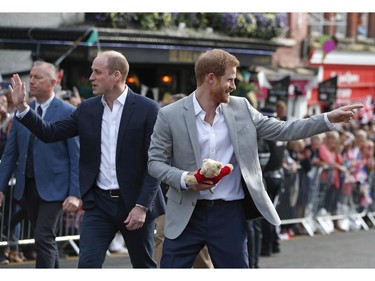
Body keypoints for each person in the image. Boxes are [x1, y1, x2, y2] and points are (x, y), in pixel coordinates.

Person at [147, 48, 363, 268]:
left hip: (228, 214)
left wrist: (327, 119)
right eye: (229, 79)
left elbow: (283, 130)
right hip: (185, 214)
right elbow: (155, 162)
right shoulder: (169, 115)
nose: (233, 85)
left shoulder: (241, 108)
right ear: (210, 78)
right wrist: (186, 178)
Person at [8, 50, 165, 268]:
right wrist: (23, 108)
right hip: (99, 205)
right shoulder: (87, 109)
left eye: (97, 72)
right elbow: (49, 132)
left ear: (116, 76)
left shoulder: (147, 109)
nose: (90, 77)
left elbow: (154, 163)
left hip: (135, 205)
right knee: (87, 266)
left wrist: (142, 206)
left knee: (143, 266)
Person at [0, 61, 81, 268]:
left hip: (55, 188)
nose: (32, 81)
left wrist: (75, 193)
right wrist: (0, 188)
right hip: (27, 187)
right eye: (32, 77)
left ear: (53, 82)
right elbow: (10, 154)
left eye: (38, 77)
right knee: (44, 238)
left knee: (44, 235)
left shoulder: (68, 111)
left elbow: (76, 155)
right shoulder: (22, 111)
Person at [153, 92, 213, 268]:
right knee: (161, 237)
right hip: (167, 195)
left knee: (200, 250)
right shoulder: (164, 126)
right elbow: (155, 162)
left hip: (193, 199)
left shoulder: (201, 133)